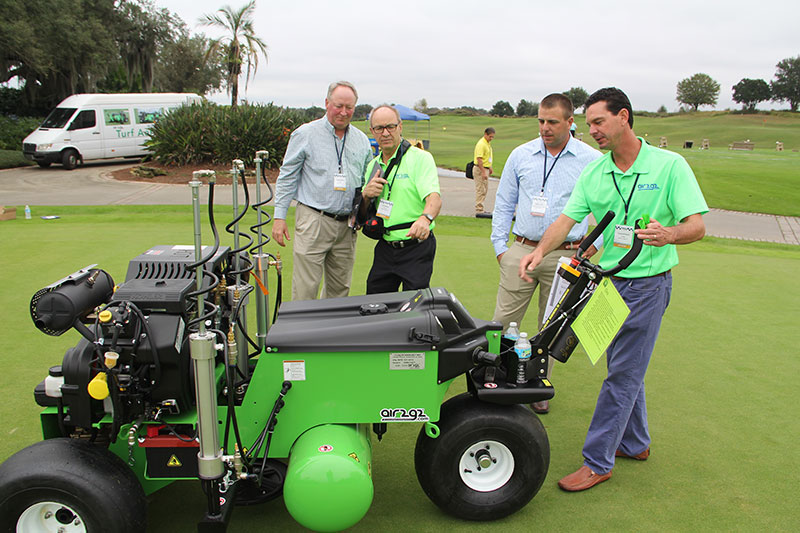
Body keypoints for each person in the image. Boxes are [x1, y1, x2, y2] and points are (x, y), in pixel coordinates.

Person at [518, 87, 708, 492]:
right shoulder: (596, 171)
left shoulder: (670, 166)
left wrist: (670, 233)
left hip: (648, 286)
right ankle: (635, 443)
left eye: (598, 122)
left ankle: (598, 461)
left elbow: (697, 225)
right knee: (623, 367)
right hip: (605, 285)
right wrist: (538, 252)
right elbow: (566, 221)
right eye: (588, 125)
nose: (593, 131)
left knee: (622, 374)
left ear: (624, 117)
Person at [491, 93, 602, 414]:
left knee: (550, 326)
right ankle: (495, 377)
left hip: (567, 255)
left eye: (552, 122)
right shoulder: (521, 155)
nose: (545, 127)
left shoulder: (591, 160)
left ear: (570, 122)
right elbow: (504, 203)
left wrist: (591, 249)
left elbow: (606, 211)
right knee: (502, 321)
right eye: (541, 120)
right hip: (521, 249)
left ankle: (538, 387)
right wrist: (501, 248)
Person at [272, 81, 372, 301]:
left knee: (339, 291)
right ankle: (301, 335)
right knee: (306, 289)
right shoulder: (305, 134)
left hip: (347, 225)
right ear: (327, 103)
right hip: (313, 220)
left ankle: (331, 335)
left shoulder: (362, 141)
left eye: (349, 107)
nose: (344, 112)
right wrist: (279, 217)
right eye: (338, 105)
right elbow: (287, 177)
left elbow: (367, 182)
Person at [360, 105, 441, 294]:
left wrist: (425, 218)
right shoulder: (373, 165)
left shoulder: (420, 159)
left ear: (400, 127)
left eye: (391, 126)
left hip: (416, 247)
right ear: (372, 131)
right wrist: (365, 195)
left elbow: (434, 198)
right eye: (379, 128)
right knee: (375, 304)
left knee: (413, 309)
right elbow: (362, 213)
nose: (385, 133)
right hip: (386, 247)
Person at [473, 127, 495, 217]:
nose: (491, 138)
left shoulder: (487, 143)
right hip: (479, 168)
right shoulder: (481, 144)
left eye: (493, 137)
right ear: (485, 134)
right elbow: (479, 159)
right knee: (480, 189)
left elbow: (487, 157)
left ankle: (481, 207)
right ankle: (479, 209)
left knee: (485, 189)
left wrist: (489, 167)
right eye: (490, 136)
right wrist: (483, 172)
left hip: (485, 168)